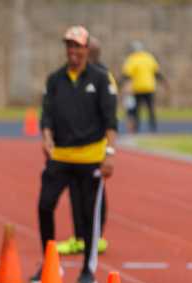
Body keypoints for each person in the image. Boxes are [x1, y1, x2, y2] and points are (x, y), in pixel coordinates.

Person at [34, 25, 117, 283]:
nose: (72, 51)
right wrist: (46, 137)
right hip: (60, 156)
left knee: (87, 216)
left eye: (77, 46)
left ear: (86, 49)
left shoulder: (101, 79)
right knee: (45, 205)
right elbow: (46, 116)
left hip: (91, 157)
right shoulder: (55, 79)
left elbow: (110, 120)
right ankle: (50, 261)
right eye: (69, 46)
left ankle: (87, 270)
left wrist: (110, 154)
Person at [56, 35, 114, 256]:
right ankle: (81, 238)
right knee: (76, 193)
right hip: (75, 150)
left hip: (94, 148)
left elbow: (107, 115)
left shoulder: (102, 78)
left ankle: (94, 237)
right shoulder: (79, 75)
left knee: (93, 195)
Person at [121, 41, 168, 133]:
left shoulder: (132, 59)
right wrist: (164, 82)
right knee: (150, 109)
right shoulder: (149, 58)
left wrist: (119, 85)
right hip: (149, 87)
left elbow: (126, 75)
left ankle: (137, 129)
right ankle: (153, 128)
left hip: (137, 88)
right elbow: (157, 73)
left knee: (137, 110)